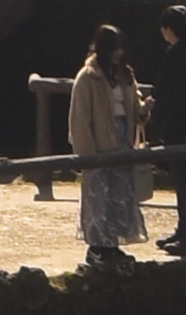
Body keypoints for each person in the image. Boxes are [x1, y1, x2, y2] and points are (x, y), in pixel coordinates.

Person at [61, 27, 147, 261]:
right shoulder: (87, 76)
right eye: (114, 48)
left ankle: (114, 244)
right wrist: (86, 154)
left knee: (120, 194)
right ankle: (98, 246)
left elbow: (134, 100)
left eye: (121, 48)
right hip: (98, 142)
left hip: (123, 140)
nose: (119, 53)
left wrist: (143, 110)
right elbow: (79, 118)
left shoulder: (125, 75)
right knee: (98, 197)